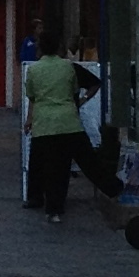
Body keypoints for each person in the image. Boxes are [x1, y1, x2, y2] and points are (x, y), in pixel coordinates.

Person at [21, 24, 88, 220]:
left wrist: (29, 119)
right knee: (60, 167)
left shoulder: (34, 70)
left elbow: (32, 97)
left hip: (44, 122)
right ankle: (55, 207)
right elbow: (73, 91)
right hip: (67, 122)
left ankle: (36, 198)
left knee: (40, 164)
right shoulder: (68, 67)